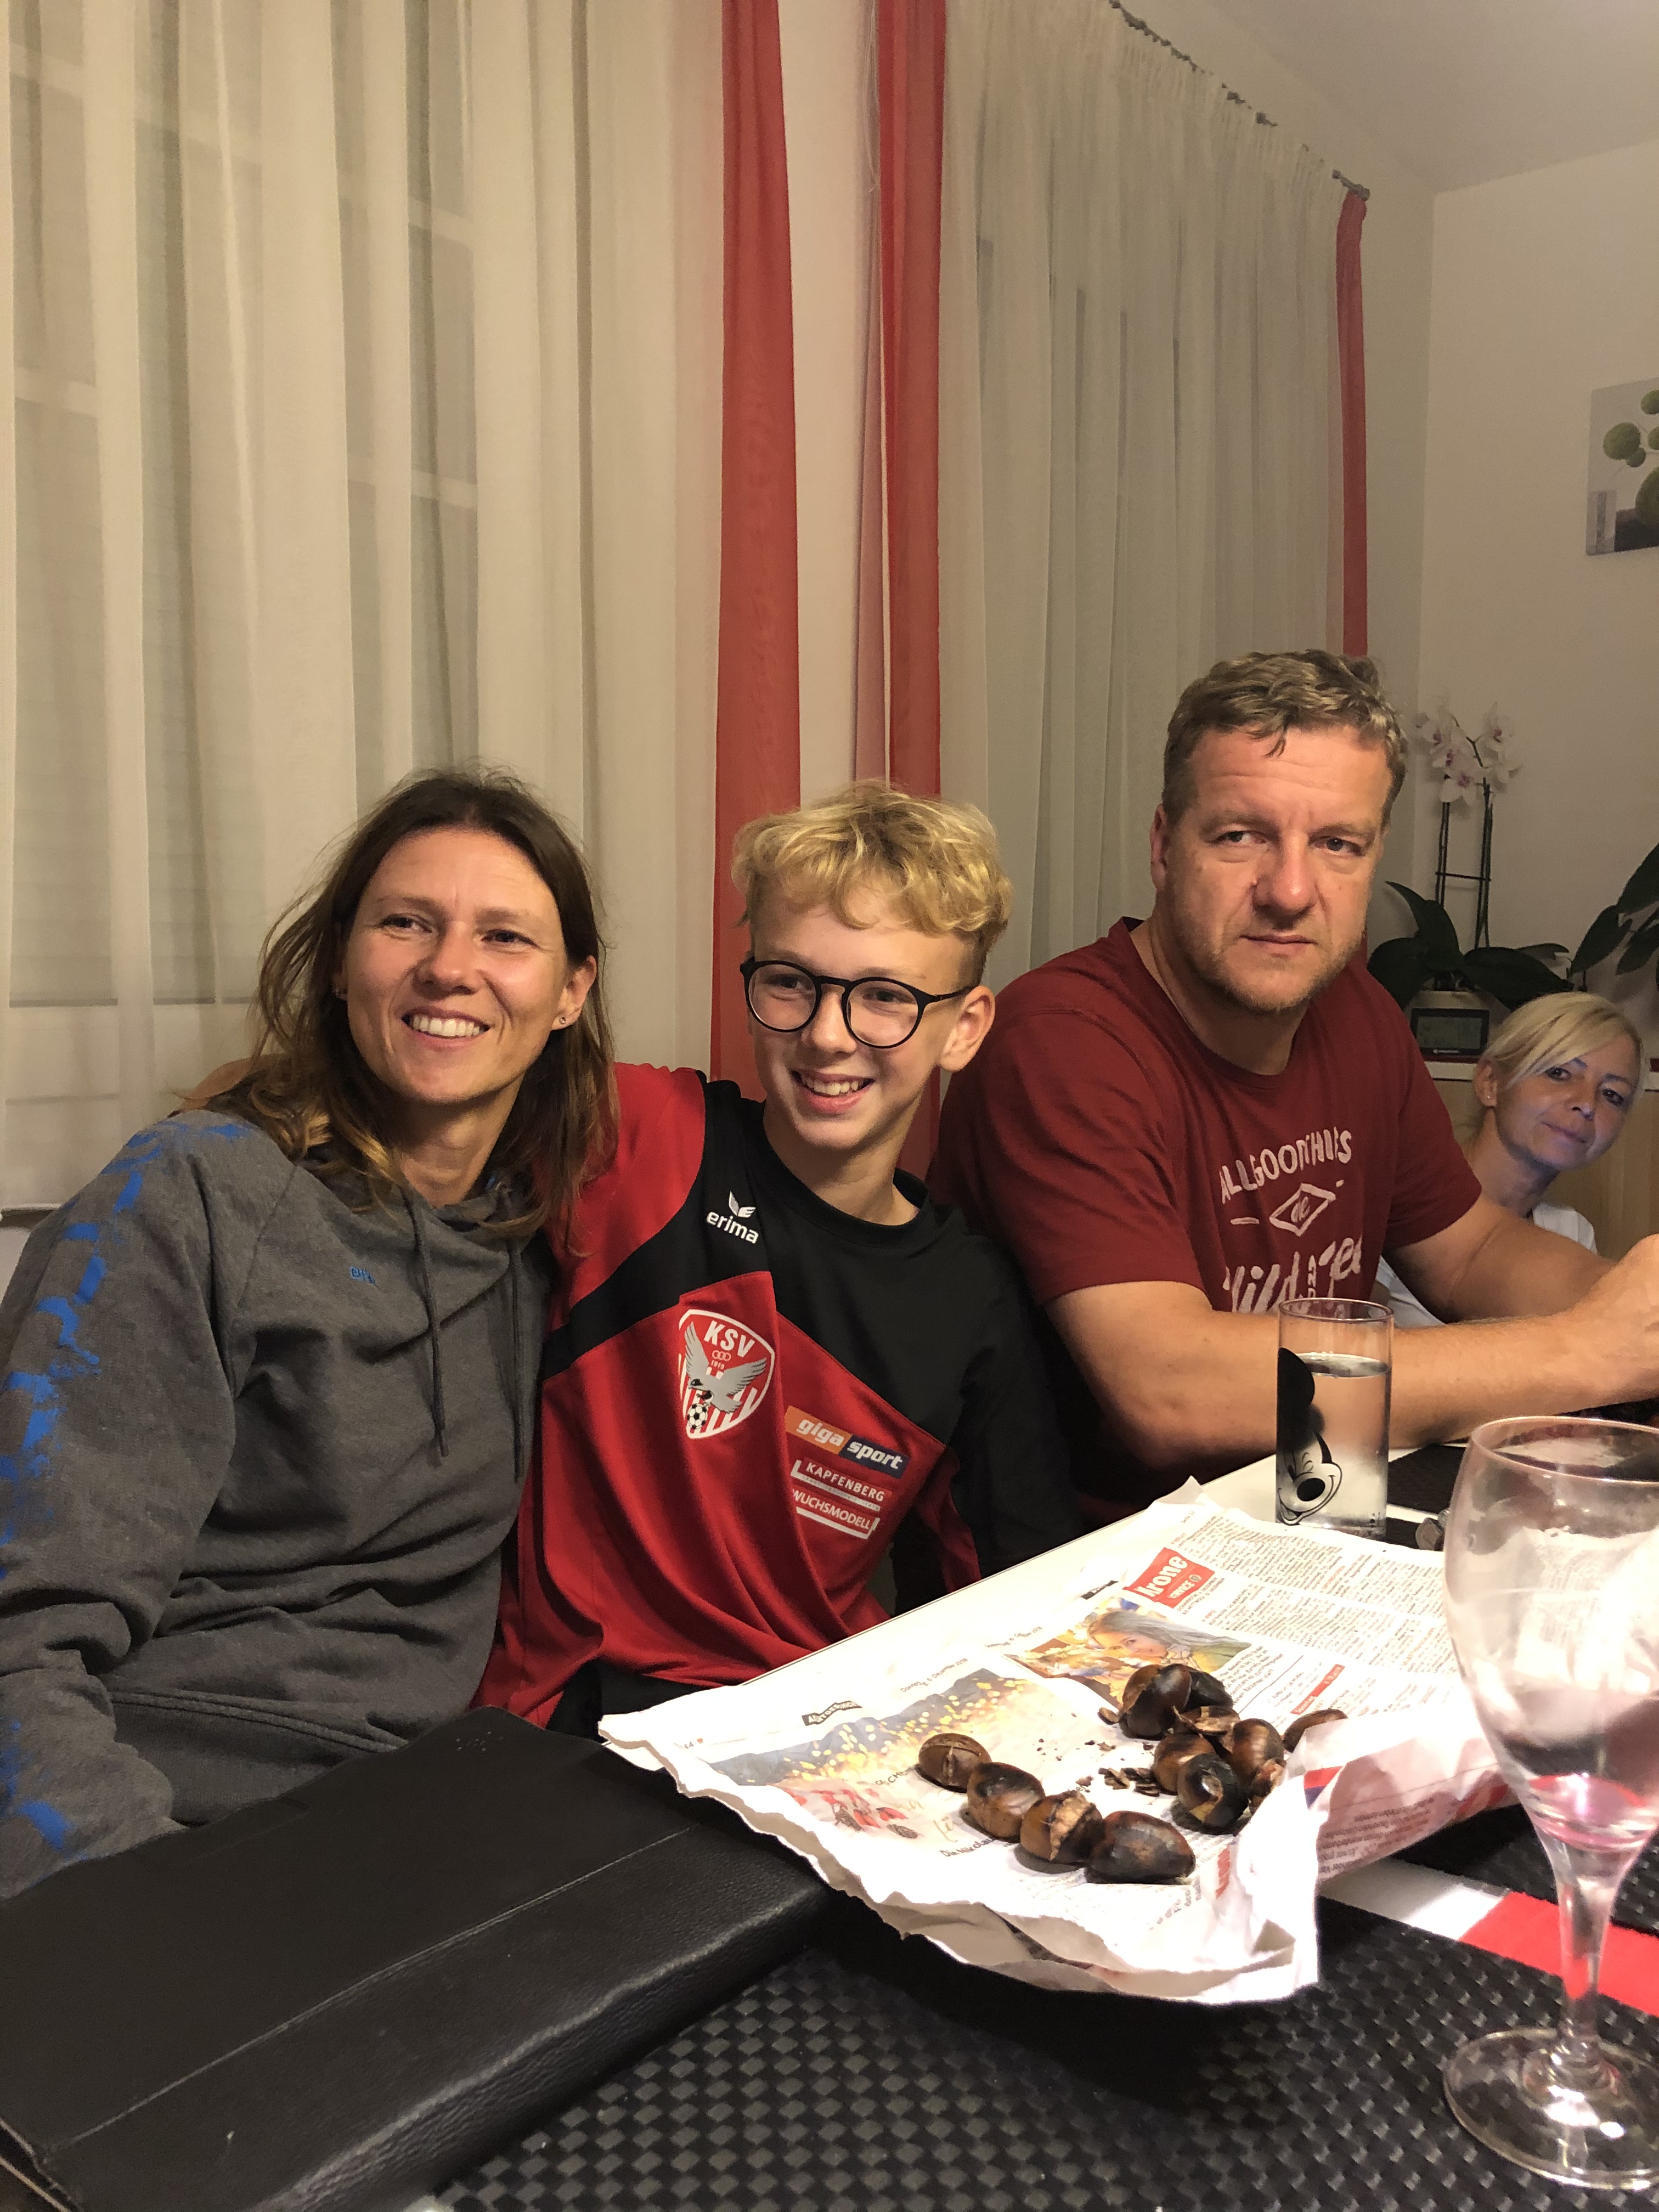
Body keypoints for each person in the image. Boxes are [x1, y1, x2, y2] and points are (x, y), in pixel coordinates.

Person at [0, 768, 605, 1896]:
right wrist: (141, 1906)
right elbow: (20, 1639)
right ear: (338, 960)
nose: (449, 967)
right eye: (406, 922)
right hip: (166, 1811)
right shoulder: (187, 1201)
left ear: (570, 992)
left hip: (414, 1816)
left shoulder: (547, 1234)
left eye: (504, 936)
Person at [932, 648, 1659, 1514]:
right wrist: (1583, 1352)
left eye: (1337, 844)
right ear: (1164, 846)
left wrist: (1632, 1313)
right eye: (1241, 836)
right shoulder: (1063, 1040)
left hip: (1309, 1513)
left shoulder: (1356, 1012)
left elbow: (1470, 1252)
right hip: (1094, 1560)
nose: (1289, 890)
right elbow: (1168, 1389)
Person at [478, 783, 1082, 1737]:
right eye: (792, 982)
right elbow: (405, 1102)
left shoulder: (968, 1301)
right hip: (576, 1725)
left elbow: (1023, 1600)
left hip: (810, 1731)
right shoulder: (637, 1137)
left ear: (963, 1028)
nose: (828, 1034)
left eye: (885, 996)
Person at [1376, 992, 1643, 1328]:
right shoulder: (1401, 1202)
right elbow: (1352, 1342)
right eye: (1559, 1073)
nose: (1587, 1104)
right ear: (1490, 1082)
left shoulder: (1571, 1231)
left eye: (1612, 1095)